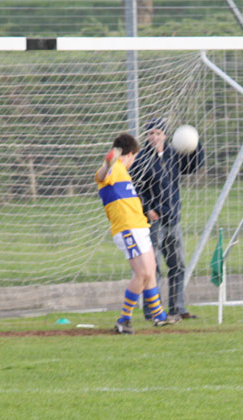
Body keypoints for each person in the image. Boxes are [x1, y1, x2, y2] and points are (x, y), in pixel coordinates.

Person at [95, 133, 179, 334]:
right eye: (134, 157)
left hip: (139, 227)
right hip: (127, 229)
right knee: (142, 273)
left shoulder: (124, 173)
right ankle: (124, 320)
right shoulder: (114, 169)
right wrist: (108, 164)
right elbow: (101, 175)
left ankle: (159, 316)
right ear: (131, 154)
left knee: (150, 270)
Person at [130, 118, 205, 320]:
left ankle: (177, 307)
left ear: (165, 135)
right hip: (153, 221)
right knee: (152, 267)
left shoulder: (173, 154)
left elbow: (193, 166)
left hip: (173, 219)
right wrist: (147, 209)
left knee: (177, 265)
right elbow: (135, 187)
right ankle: (152, 310)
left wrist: (195, 144)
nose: (153, 137)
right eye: (150, 133)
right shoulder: (142, 159)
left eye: (157, 133)